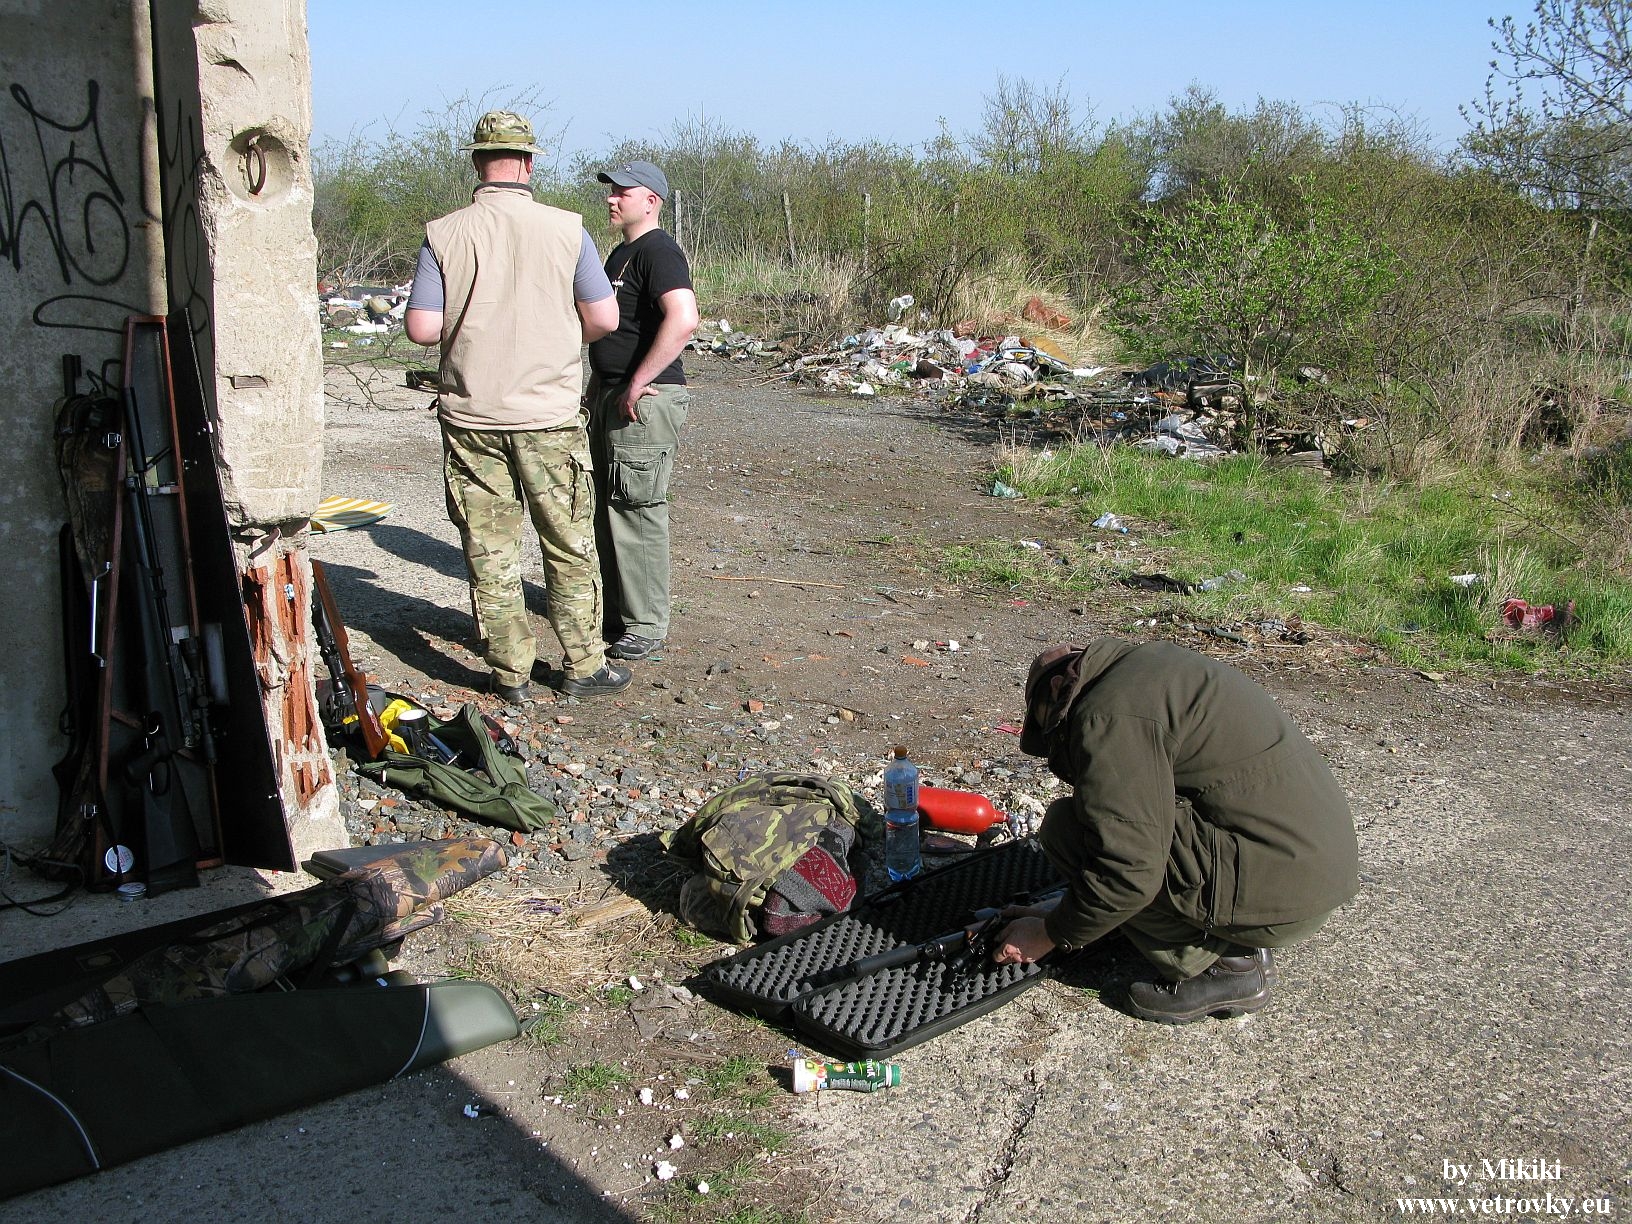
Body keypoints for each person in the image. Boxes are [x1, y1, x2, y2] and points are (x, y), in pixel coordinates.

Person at [992, 639, 1360, 1024]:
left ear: (1057, 689)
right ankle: (1231, 929)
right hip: (1313, 868)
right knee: (1111, 820)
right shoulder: (1148, 668)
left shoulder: (1108, 715)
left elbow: (1128, 871)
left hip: (1287, 892)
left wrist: (1050, 933)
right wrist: (1064, 906)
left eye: (1051, 727)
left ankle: (1222, 965)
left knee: (1068, 830)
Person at [405, 111, 632, 701]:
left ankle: (509, 673)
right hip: (549, 415)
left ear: (478, 162)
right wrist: (554, 336)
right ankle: (583, 665)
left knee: (490, 548)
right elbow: (604, 318)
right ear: (529, 163)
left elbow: (422, 329)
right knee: (569, 542)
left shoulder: (443, 233)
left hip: (472, 416)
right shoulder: (567, 229)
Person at [585, 160, 700, 663]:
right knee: (608, 507)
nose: (611, 198)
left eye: (622, 192)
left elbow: (684, 319)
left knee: (636, 509)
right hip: (613, 395)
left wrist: (637, 381)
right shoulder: (621, 254)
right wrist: (599, 386)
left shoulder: (658, 251)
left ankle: (646, 625)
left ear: (651, 200)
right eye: (611, 191)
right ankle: (618, 614)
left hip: (645, 401)